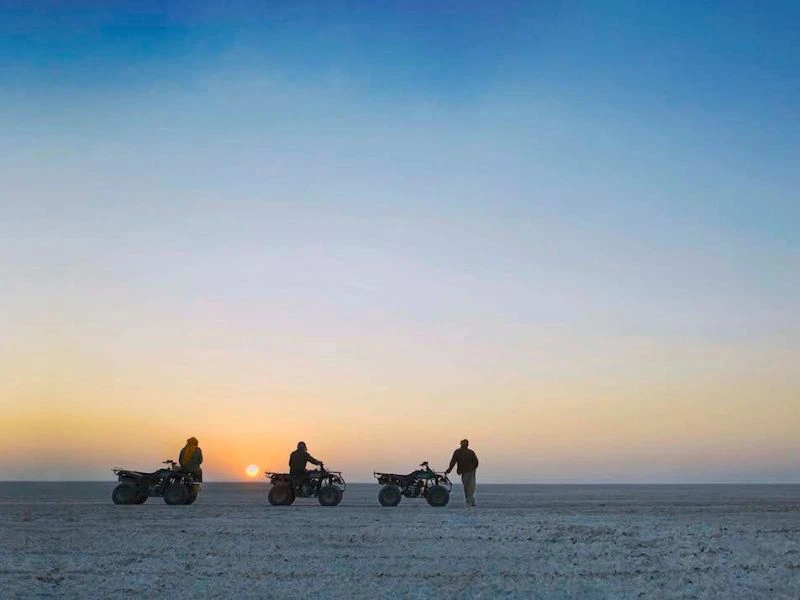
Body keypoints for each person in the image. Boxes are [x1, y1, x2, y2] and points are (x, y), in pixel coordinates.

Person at [445, 439, 479, 506]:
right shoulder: (458, 452)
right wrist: (449, 470)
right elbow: (453, 462)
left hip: (471, 472)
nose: (465, 445)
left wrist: (473, 469)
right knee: (467, 487)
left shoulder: (471, 452)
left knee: (471, 487)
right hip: (464, 472)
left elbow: (476, 462)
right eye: (463, 443)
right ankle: (470, 501)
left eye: (465, 443)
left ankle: (470, 501)